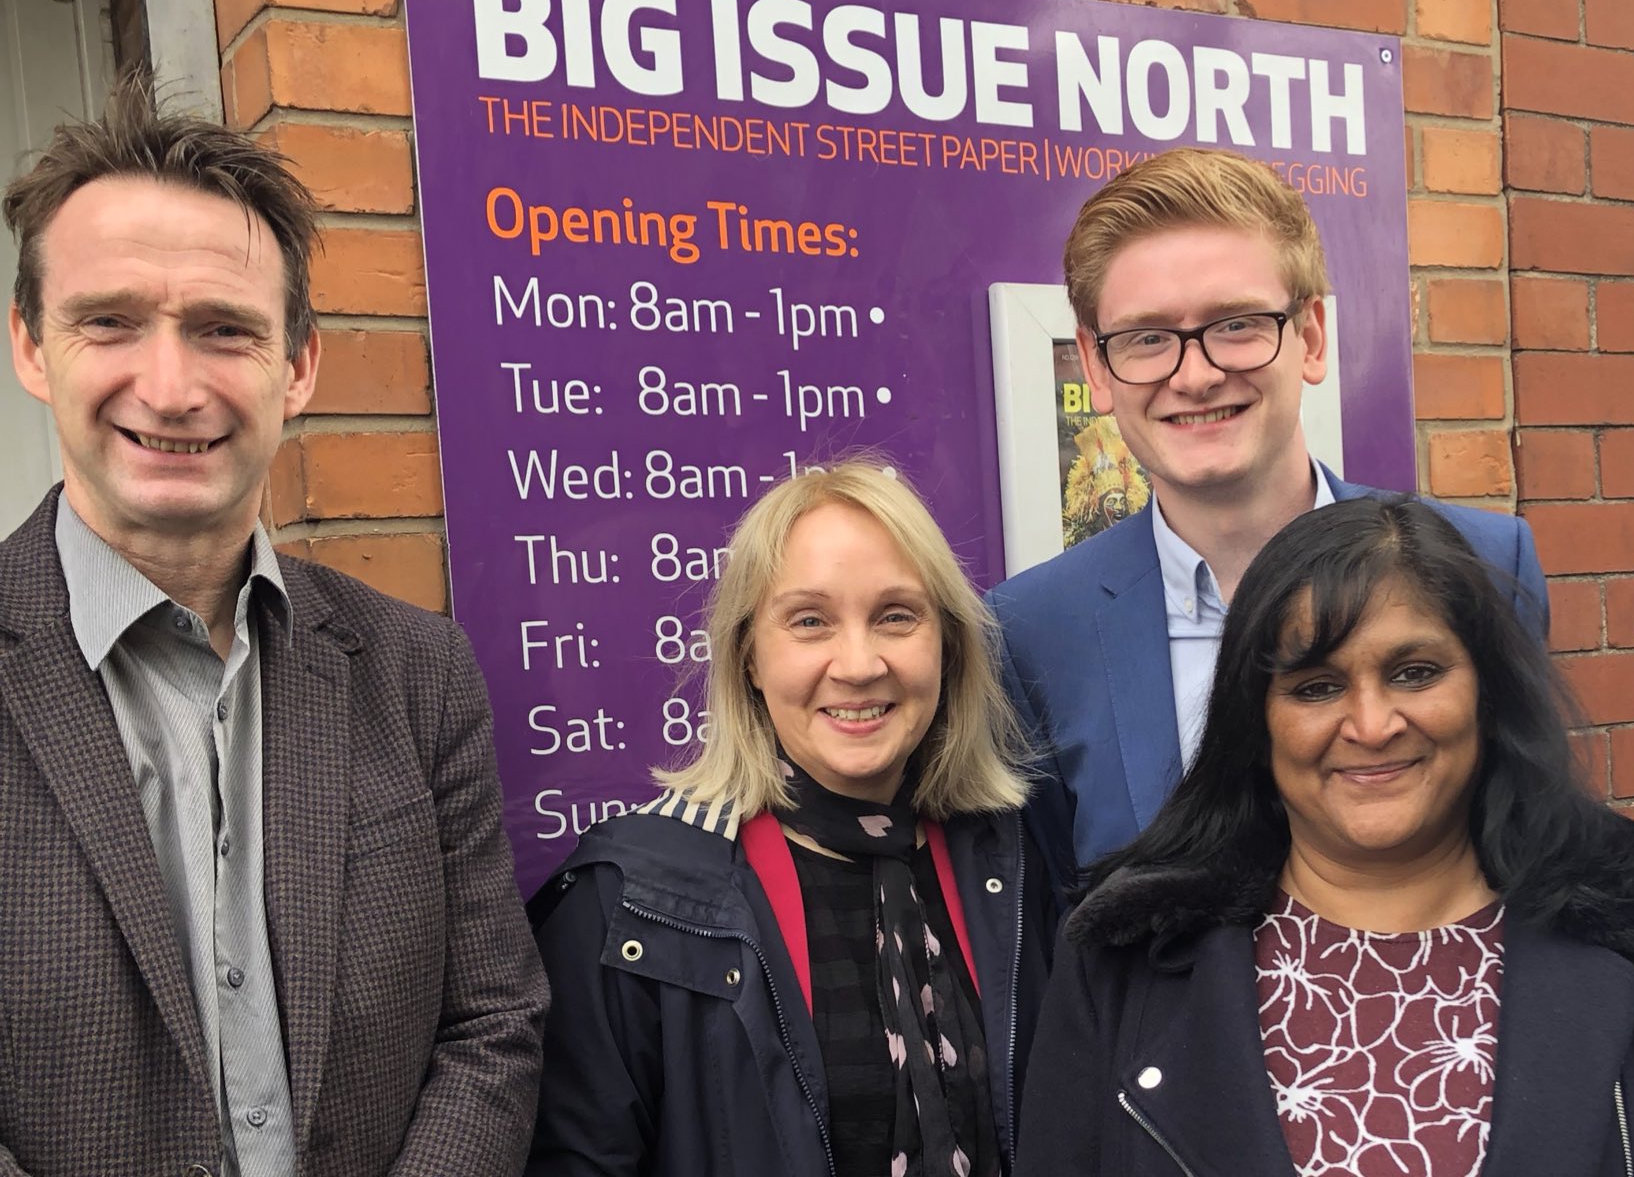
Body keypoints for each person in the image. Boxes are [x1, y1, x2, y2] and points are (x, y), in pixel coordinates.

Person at [0, 70, 545, 1175]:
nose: (170, 385)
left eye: (221, 329)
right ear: (29, 345)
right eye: (108, 322)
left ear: (295, 366)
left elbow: (492, 1022)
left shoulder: (415, 670)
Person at [1020, 495, 1634, 1176]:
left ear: (1488, 693)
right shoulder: (1122, 963)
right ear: (1255, 722)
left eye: (1415, 672)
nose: (1372, 724)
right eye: (1316, 687)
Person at [990, 147, 1548, 881]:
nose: (1195, 375)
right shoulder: (1031, 630)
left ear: (1310, 337)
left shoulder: (1483, 562)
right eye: (1148, 338)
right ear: (1096, 368)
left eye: (1237, 324)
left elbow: (1526, 844)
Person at [527, 461, 1055, 1177]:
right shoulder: (626, 903)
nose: (860, 663)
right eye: (810, 621)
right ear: (748, 656)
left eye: (897, 615)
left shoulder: (1016, 863)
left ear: (949, 646)